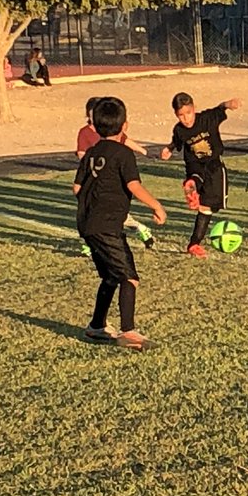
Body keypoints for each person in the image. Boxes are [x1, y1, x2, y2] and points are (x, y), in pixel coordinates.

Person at [73, 96, 166, 350]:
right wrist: (156, 206)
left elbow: (77, 188)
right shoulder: (123, 154)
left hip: (88, 225)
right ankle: (129, 331)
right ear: (125, 125)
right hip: (107, 226)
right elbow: (133, 185)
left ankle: (96, 326)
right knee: (129, 277)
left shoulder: (91, 154)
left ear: (95, 125)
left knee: (110, 277)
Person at [160, 91, 241, 258]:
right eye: (181, 115)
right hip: (199, 164)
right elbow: (177, 140)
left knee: (208, 205)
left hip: (211, 164)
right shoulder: (179, 129)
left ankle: (194, 243)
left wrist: (228, 104)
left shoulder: (206, 118)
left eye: (188, 113)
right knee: (206, 206)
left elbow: (219, 108)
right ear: (176, 114)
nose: (186, 119)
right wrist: (169, 148)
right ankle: (192, 187)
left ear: (194, 108)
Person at [77, 96, 155, 251]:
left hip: (109, 181)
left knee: (113, 216)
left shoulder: (113, 133)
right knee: (94, 215)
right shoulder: (85, 133)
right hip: (94, 179)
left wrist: (143, 151)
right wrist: (90, 164)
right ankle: (90, 244)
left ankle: (139, 228)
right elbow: (81, 153)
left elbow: (126, 141)